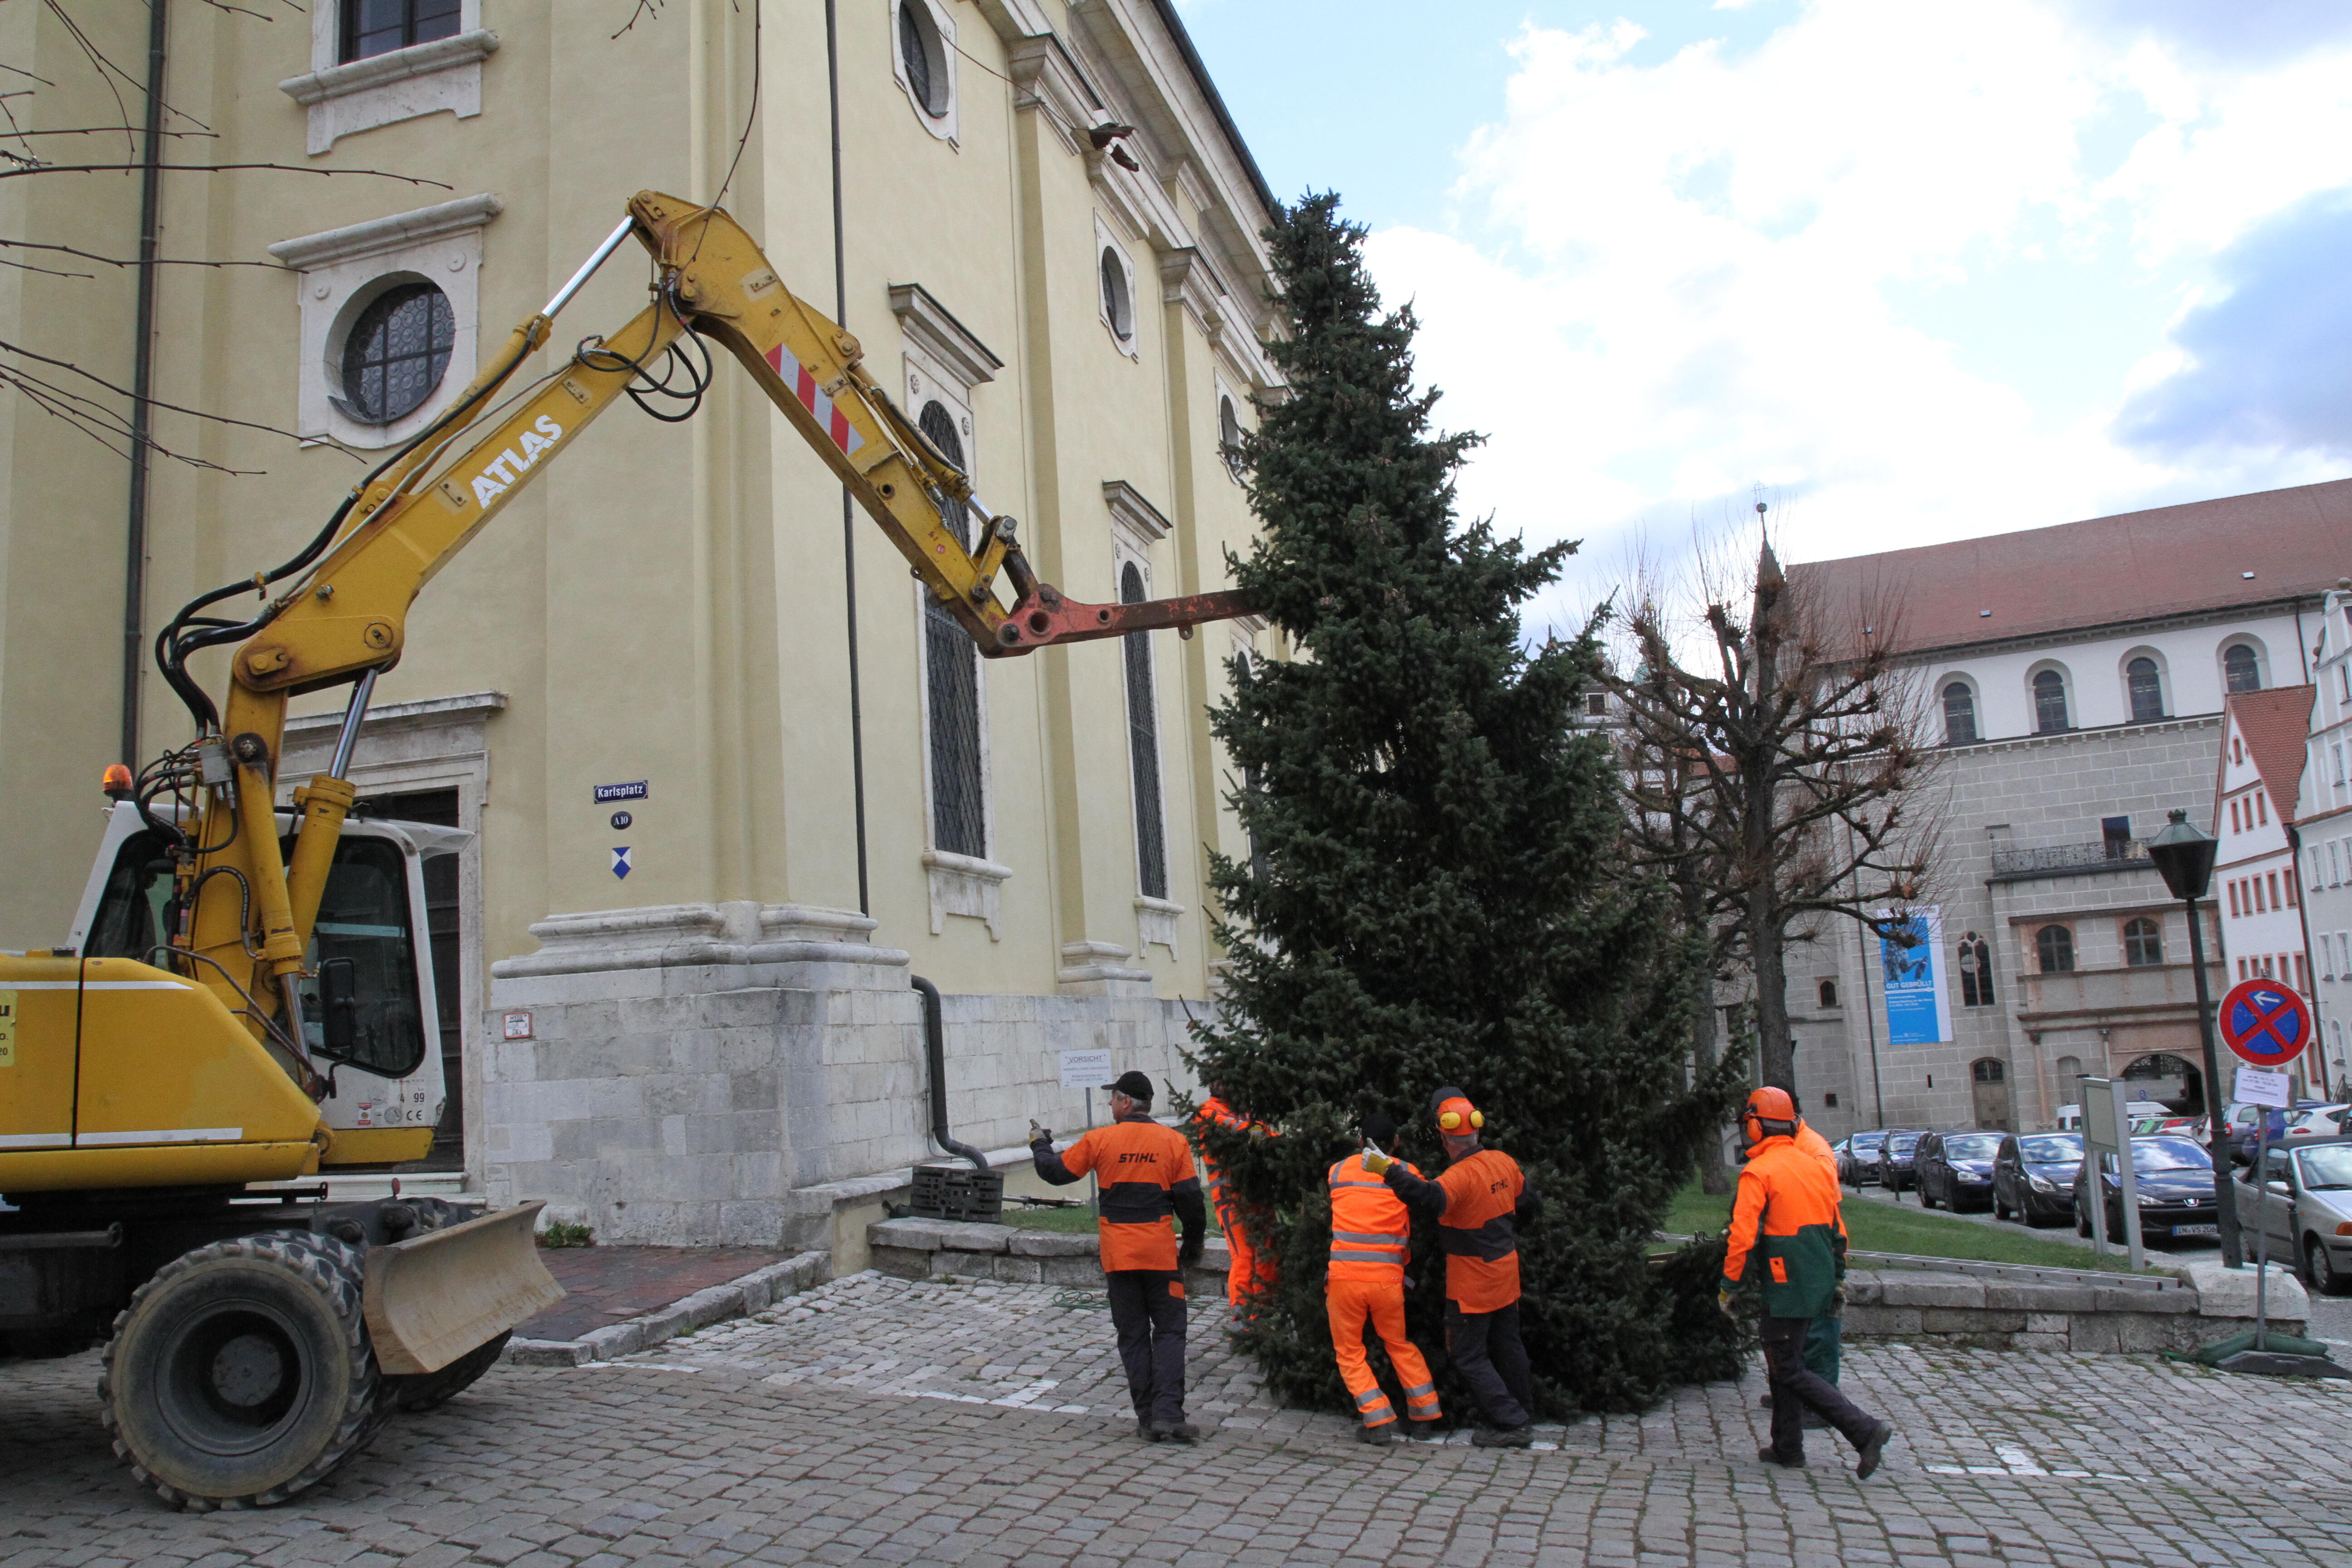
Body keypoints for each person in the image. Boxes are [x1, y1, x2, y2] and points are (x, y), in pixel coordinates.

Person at [1721, 1087, 1895, 1477]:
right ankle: (1787, 1447)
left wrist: (1729, 1286)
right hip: (1816, 1279)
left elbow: (1742, 1236)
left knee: (1788, 1367)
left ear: (1755, 1125)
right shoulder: (1815, 1165)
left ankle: (1864, 1430)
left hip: (1786, 1283)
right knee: (1785, 1361)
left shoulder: (1758, 1171)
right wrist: (1836, 1278)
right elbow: (1838, 1231)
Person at [1031, 1070, 1208, 1443]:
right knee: (1171, 1331)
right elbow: (1191, 1201)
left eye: (1113, 1099)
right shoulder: (1173, 1142)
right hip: (1160, 1255)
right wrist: (1192, 1244)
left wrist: (1040, 1144)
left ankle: (1147, 1418)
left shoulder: (1100, 1140)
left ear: (1126, 1102)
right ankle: (1169, 1414)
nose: (1110, 1104)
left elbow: (1054, 1174)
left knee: (1132, 1337)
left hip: (1119, 1256)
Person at [1365, 1087, 1539, 1447]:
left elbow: (1428, 1198)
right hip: (1506, 1269)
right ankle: (1523, 1411)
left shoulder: (1460, 1177)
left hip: (1473, 1280)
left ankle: (1512, 1422)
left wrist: (1389, 1171)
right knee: (1508, 1344)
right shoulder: (1503, 1161)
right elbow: (1529, 1205)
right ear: (1477, 1128)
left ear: (1444, 1136)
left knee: (1467, 1354)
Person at [1326, 1112, 1444, 1446]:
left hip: (1344, 1279)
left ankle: (1377, 1421)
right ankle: (1425, 1416)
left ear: (1360, 1142)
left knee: (1350, 1351)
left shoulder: (1337, 1172)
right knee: (1399, 1344)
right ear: (1396, 1142)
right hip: (1388, 1280)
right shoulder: (1408, 1173)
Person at [1192, 1082, 1278, 1317]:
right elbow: (1241, 1130)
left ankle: (1263, 1314)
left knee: (1268, 1254)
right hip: (1232, 1200)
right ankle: (1242, 1320)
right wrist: (1257, 1131)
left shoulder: (1247, 1114)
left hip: (1260, 1196)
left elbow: (1269, 1136)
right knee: (1244, 1256)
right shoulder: (1207, 1112)